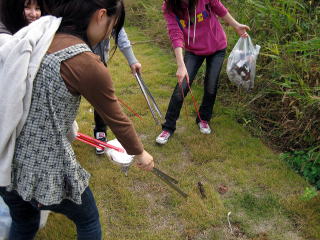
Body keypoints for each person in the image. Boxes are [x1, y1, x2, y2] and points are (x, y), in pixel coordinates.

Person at [0, 1, 154, 240]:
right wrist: (140, 153)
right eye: (111, 27)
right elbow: (116, 118)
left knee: (24, 221)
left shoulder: (42, 35)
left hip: (7, 160)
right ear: (101, 15)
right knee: (88, 219)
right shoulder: (86, 63)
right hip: (43, 169)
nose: (107, 35)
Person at [156, 0, 250, 144]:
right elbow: (175, 34)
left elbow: (218, 7)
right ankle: (168, 127)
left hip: (217, 46)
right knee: (182, 86)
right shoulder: (170, 6)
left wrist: (236, 25)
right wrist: (181, 65)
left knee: (211, 86)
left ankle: (203, 119)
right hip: (193, 51)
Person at [92, 29, 142, 155]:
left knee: (101, 99)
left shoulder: (112, 11)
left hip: (99, 61)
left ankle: (100, 132)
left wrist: (132, 60)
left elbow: (119, 32)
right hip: (74, 59)